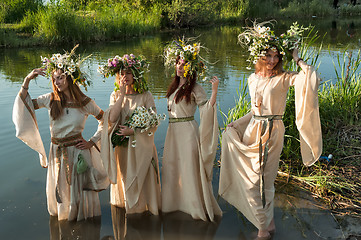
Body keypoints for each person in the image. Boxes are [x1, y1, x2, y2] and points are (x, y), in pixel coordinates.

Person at [218, 22, 322, 239]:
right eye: (268, 55)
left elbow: (313, 78)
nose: (272, 60)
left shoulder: (285, 78)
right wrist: (237, 123)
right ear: (260, 56)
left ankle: (263, 230)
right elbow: (254, 110)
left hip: (272, 132)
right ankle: (269, 223)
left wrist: (298, 59)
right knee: (250, 179)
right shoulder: (252, 78)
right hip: (252, 130)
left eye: (276, 56)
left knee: (262, 179)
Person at [13, 46, 109, 221]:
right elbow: (25, 105)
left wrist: (92, 142)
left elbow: (105, 121)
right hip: (56, 151)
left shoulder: (85, 102)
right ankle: (66, 218)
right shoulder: (50, 99)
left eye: (61, 77)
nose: (57, 82)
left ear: (70, 78)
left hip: (78, 151)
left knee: (78, 190)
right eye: (55, 78)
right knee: (62, 188)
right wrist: (27, 79)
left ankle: (80, 223)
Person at [161, 38, 222, 222]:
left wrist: (214, 91)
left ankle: (194, 205)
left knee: (188, 168)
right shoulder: (173, 87)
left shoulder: (195, 88)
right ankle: (174, 203)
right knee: (172, 168)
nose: (180, 67)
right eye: (178, 63)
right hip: (172, 132)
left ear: (191, 67)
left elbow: (206, 110)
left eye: (184, 64)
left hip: (188, 132)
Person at [99, 54, 161, 215]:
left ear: (135, 74)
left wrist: (133, 132)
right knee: (127, 180)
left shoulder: (145, 95)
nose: (124, 77)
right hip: (124, 150)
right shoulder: (115, 96)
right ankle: (130, 210)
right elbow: (112, 119)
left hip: (142, 147)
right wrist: (120, 95)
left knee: (144, 179)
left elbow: (154, 122)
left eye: (127, 73)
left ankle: (144, 213)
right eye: (121, 73)